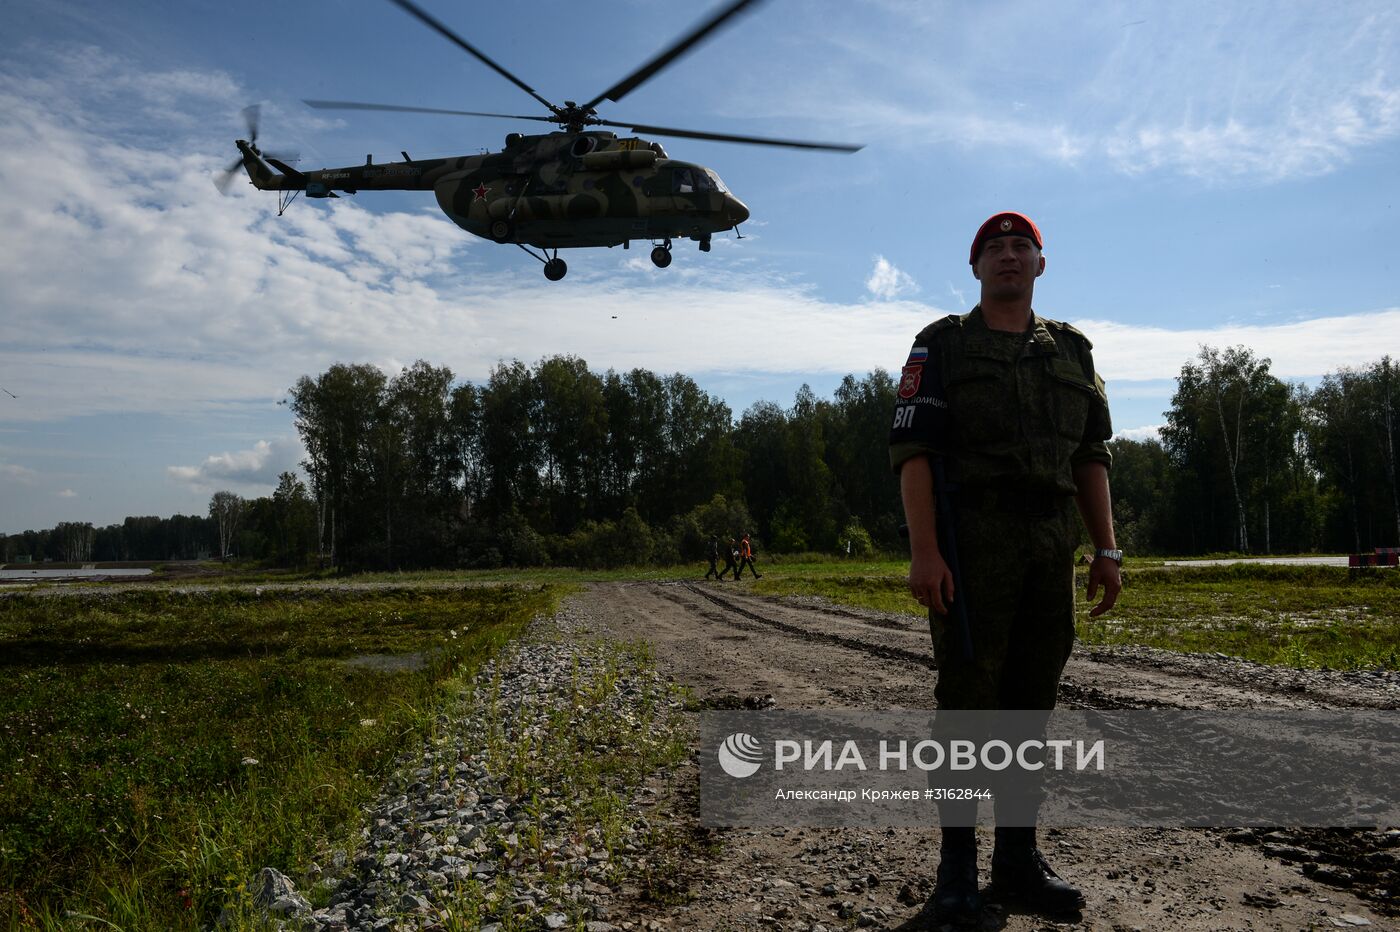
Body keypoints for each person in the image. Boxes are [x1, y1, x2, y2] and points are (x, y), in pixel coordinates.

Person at [888, 211, 1122, 924]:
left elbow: (1092, 458)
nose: (1009, 256)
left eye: (1022, 247)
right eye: (995, 248)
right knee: (966, 711)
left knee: (1029, 709)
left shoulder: (1073, 352)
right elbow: (913, 455)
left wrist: (1106, 547)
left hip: (1050, 550)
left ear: (1040, 265)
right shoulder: (942, 347)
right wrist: (924, 550)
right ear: (977, 267)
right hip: (972, 549)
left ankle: (1016, 865)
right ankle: (955, 877)